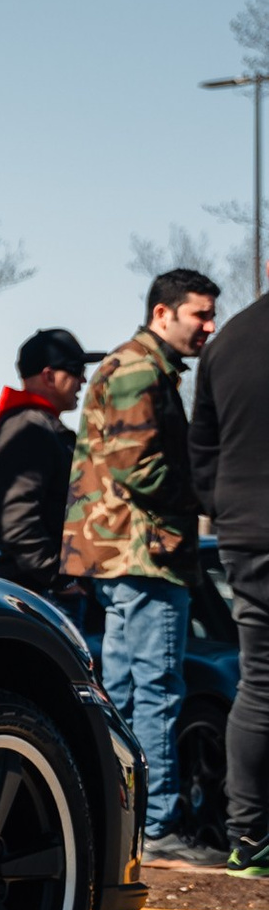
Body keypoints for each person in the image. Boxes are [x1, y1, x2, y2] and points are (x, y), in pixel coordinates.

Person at [64, 266, 220, 861]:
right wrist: (210, 493)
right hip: (144, 555)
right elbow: (140, 469)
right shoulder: (138, 369)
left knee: (127, 694)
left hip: (124, 554)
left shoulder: (138, 367)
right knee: (154, 692)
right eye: (199, 314)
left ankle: (125, 828)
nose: (209, 326)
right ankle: (157, 828)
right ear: (163, 314)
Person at [192, 275, 269, 874]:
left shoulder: (226, 343)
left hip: (244, 534)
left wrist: (225, 511)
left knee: (259, 685)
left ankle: (249, 837)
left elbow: (202, 450)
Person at [0, 331, 90, 614]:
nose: (84, 380)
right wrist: (59, 578)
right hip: (42, 595)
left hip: (43, 592)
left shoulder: (36, 425)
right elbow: (18, 521)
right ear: (49, 375)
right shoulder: (28, 427)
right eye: (77, 370)